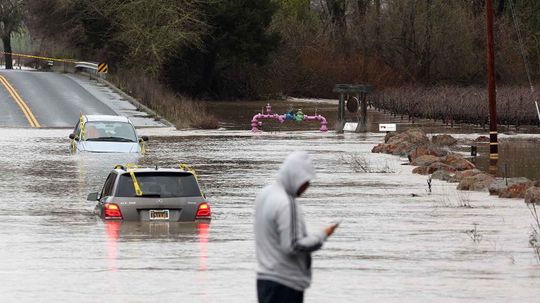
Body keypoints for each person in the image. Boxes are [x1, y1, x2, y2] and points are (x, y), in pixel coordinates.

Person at [254, 151, 339, 303]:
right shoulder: (287, 202)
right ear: (295, 177)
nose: (307, 186)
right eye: (305, 181)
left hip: (264, 279)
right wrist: (322, 235)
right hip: (285, 283)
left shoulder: (264, 194)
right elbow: (293, 245)